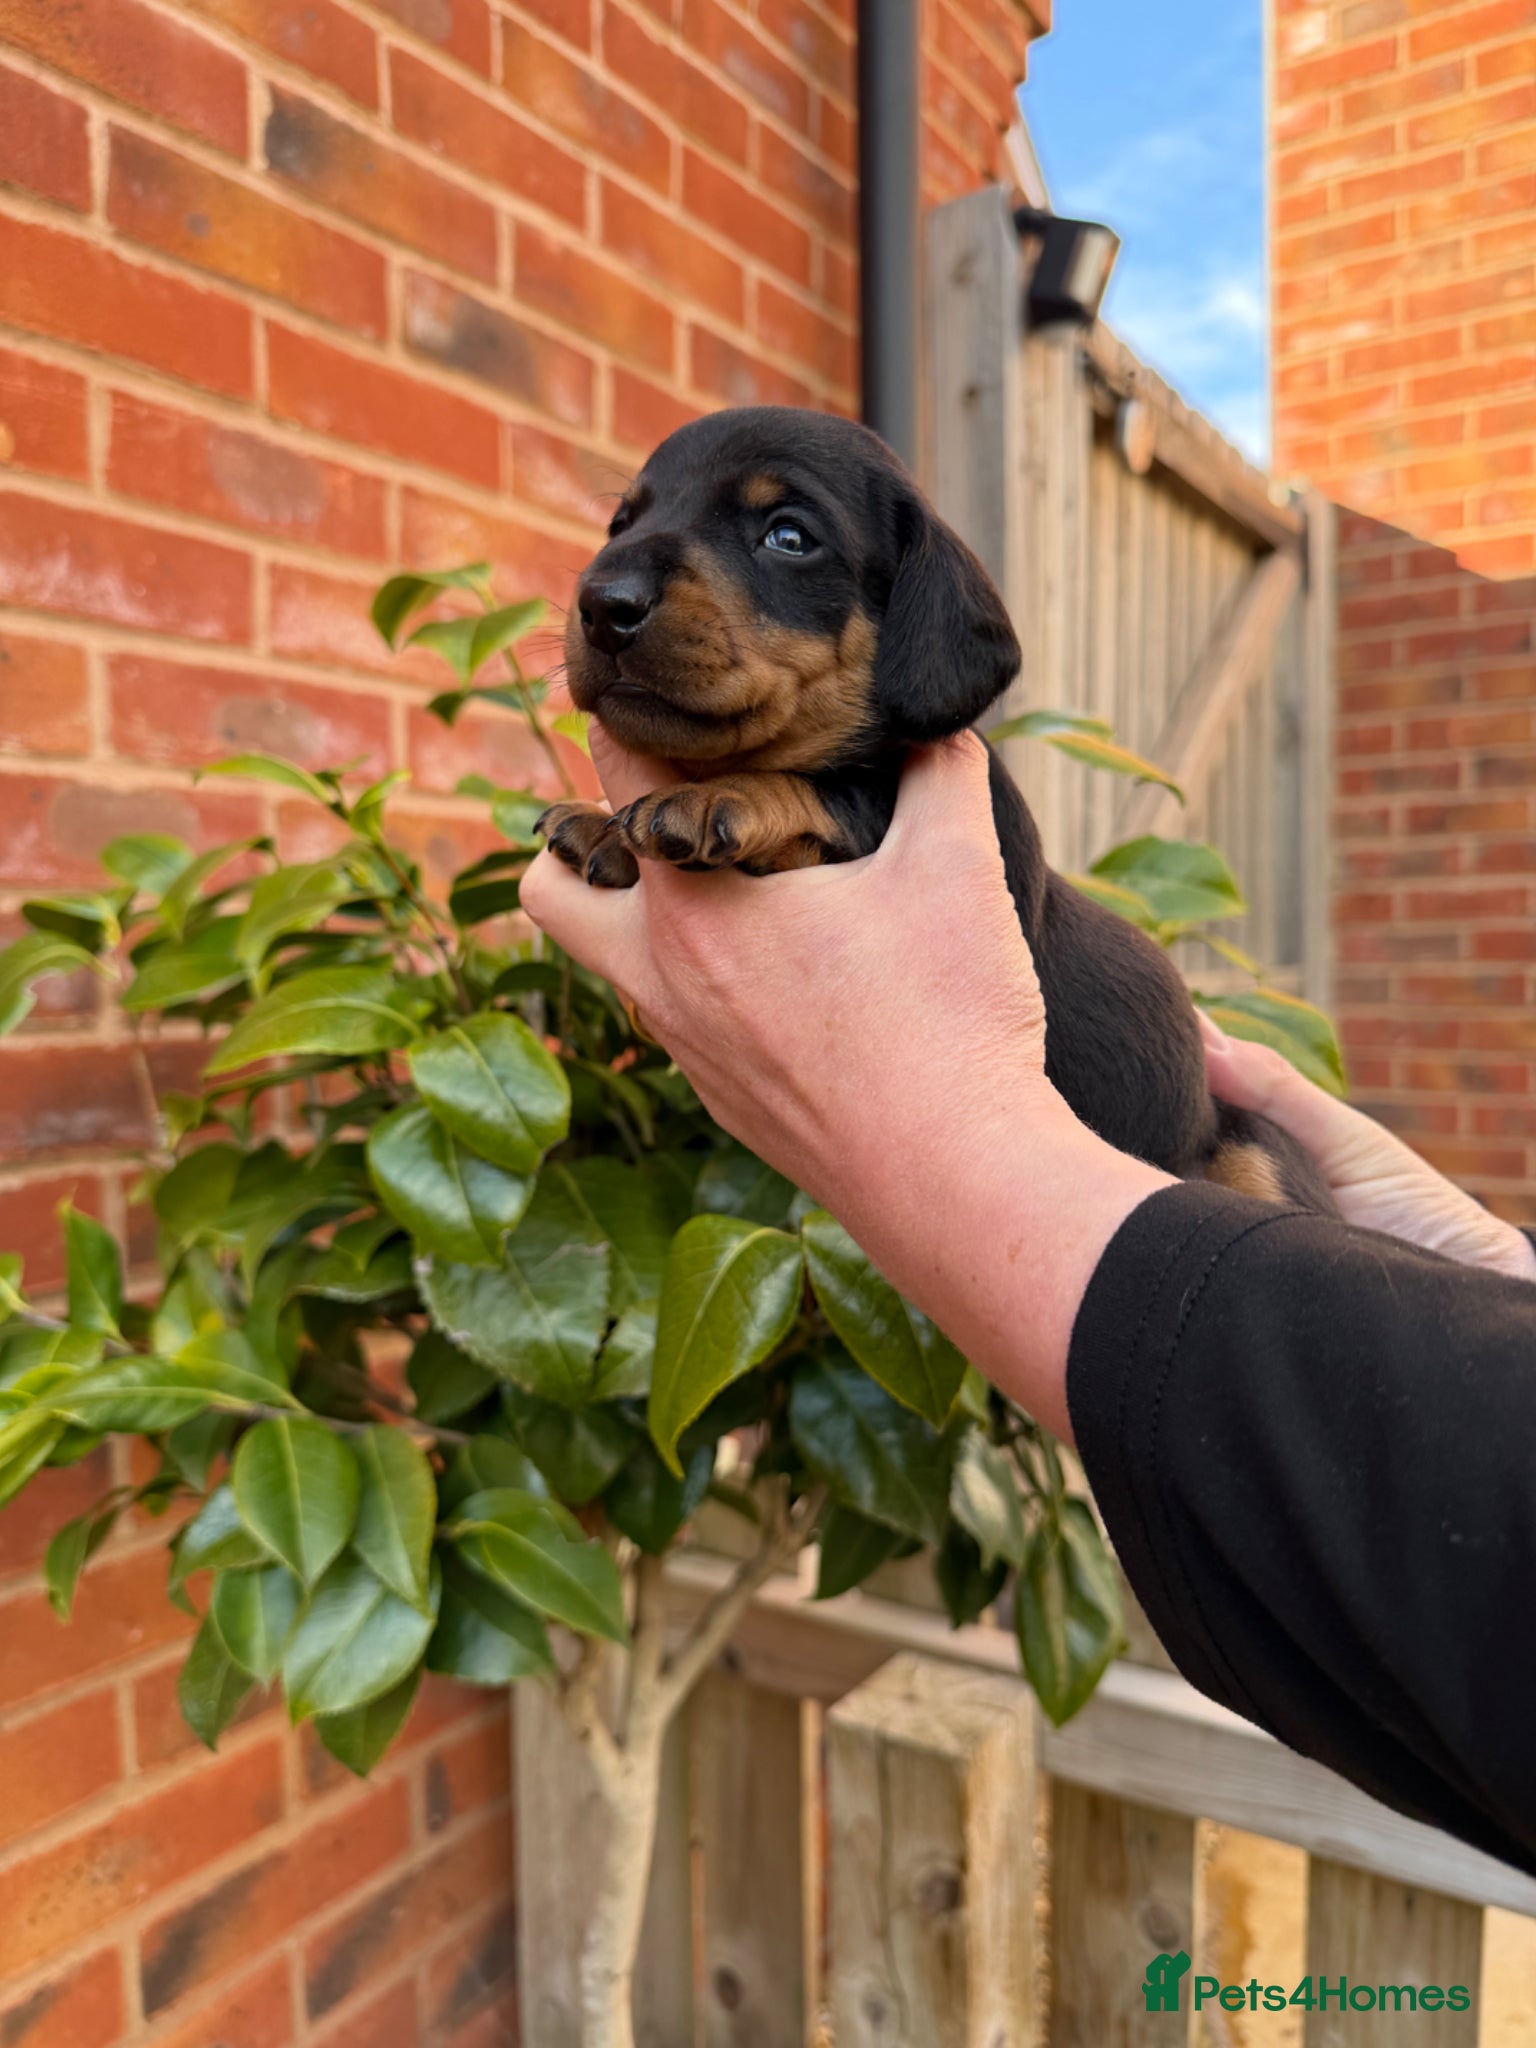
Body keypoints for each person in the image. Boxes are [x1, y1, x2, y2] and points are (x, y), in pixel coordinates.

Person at [522, 729, 1536, 1881]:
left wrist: (940, 1159)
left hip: (1194, 1160)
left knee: (1254, 1174)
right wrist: (1499, 1269)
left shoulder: (910, 777)